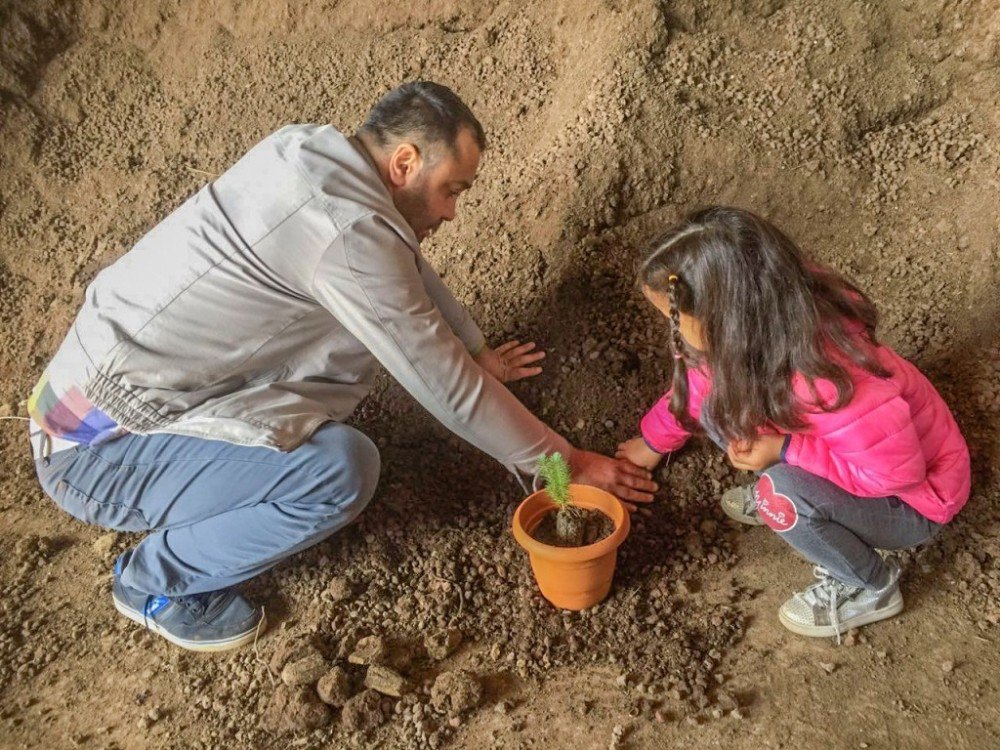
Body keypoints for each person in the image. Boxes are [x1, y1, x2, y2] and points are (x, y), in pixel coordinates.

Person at [27, 81, 657, 652]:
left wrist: (475, 351)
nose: (451, 213)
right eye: (451, 191)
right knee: (338, 470)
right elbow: (445, 387)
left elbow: (399, 261)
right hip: (93, 453)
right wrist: (561, 464)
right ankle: (154, 581)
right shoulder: (344, 229)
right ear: (405, 163)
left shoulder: (310, 155)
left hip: (79, 396)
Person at [616, 206, 970, 639]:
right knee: (717, 405)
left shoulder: (833, 384)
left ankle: (869, 584)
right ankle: (803, 490)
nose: (672, 333)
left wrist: (784, 452)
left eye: (675, 320)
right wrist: (653, 443)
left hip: (911, 501)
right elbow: (699, 385)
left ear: (728, 320)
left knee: (780, 497)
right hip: (849, 455)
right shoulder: (767, 322)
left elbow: (895, 475)